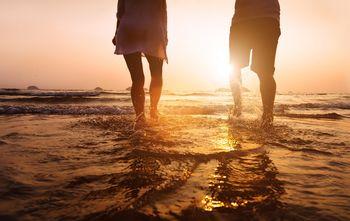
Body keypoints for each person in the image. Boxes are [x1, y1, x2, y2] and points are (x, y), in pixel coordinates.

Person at [113, 0, 168, 129]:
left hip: (129, 29)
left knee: (137, 79)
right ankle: (153, 110)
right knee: (156, 75)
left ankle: (140, 117)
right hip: (153, 29)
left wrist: (116, 33)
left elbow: (120, 12)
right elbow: (163, 12)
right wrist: (165, 35)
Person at [229, 0, 281, 128]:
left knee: (264, 71)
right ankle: (238, 111)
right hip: (246, 18)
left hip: (264, 17)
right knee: (235, 68)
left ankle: (267, 117)